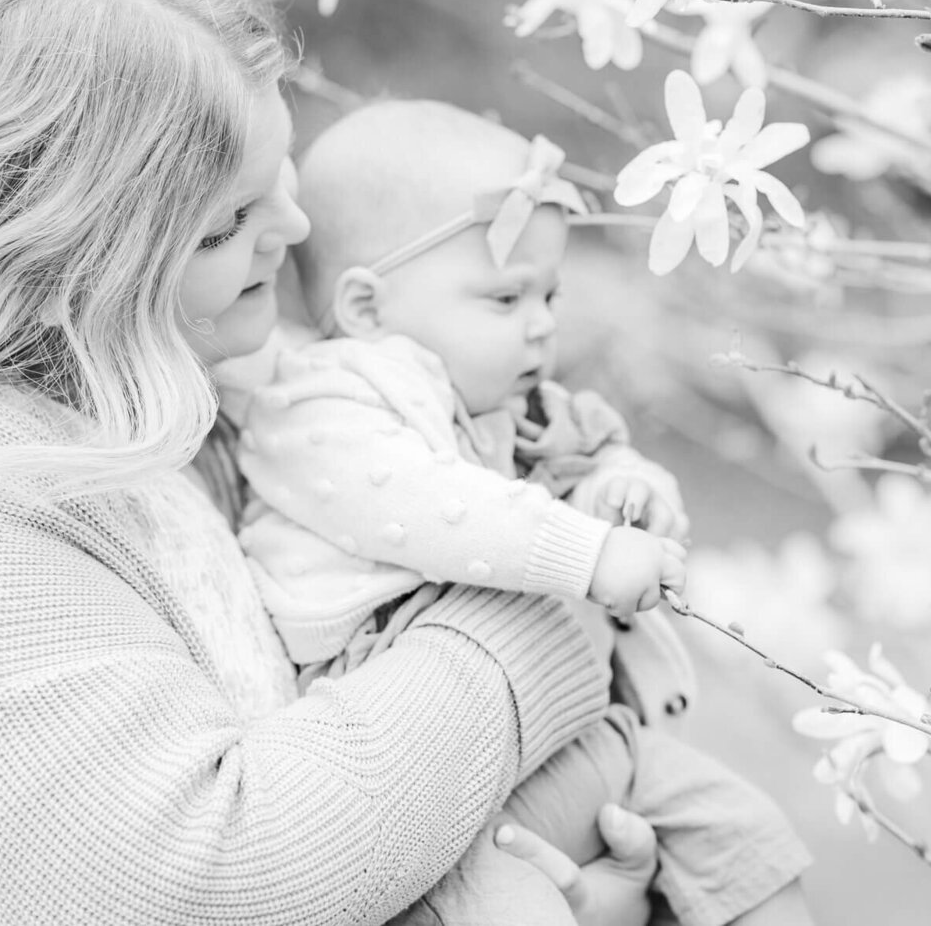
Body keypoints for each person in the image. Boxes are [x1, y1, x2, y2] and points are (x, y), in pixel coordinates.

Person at [0, 0, 654, 925]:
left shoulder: (158, 404)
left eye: (277, 177)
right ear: (69, 261)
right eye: (227, 222)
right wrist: (538, 611)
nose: (296, 227)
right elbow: (200, 877)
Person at [219, 99, 815, 926]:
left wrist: (621, 491)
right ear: (365, 308)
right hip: (432, 787)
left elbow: (586, 458)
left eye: (550, 296)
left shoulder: (509, 403)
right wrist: (589, 552)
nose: (542, 328)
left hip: (576, 742)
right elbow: (435, 508)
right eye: (505, 300)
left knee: (748, 842)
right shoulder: (326, 404)